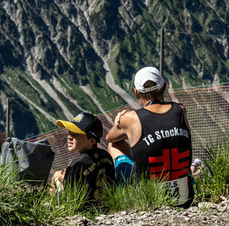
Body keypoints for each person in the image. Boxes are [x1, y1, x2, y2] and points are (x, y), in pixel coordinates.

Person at [105, 67, 194, 208]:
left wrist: (121, 119)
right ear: (164, 87)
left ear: (136, 93)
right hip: (186, 197)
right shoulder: (180, 110)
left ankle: (122, 192)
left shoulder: (131, 118)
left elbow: (110, 138)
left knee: (114, 145)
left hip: (149, 201)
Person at [52, 112, 115, 206]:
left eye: (75, 134)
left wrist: (64, 176)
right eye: (69, 133)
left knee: (57, 175)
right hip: (107, 205)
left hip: (84, 209)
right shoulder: (106, 155)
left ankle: (53, 208)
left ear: (91, 141)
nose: (69, 137)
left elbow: (69, 194)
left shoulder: (76, 165)